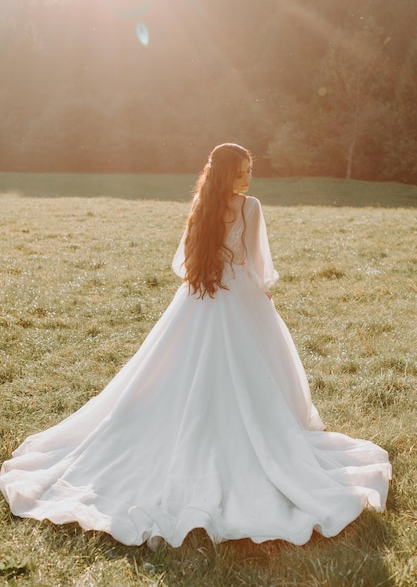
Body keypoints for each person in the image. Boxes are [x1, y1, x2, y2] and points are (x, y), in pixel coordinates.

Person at [0, 143, 391, 550]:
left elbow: (186, 265)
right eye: (240, 173)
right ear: (226, 175)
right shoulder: (250, 207)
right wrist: (262, 296)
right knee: (239, 369)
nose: (247, 179)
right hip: (238, 298)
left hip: (198, 298)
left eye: (248, 172)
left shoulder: (202, 207)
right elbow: (258, 265)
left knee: (188, 368)